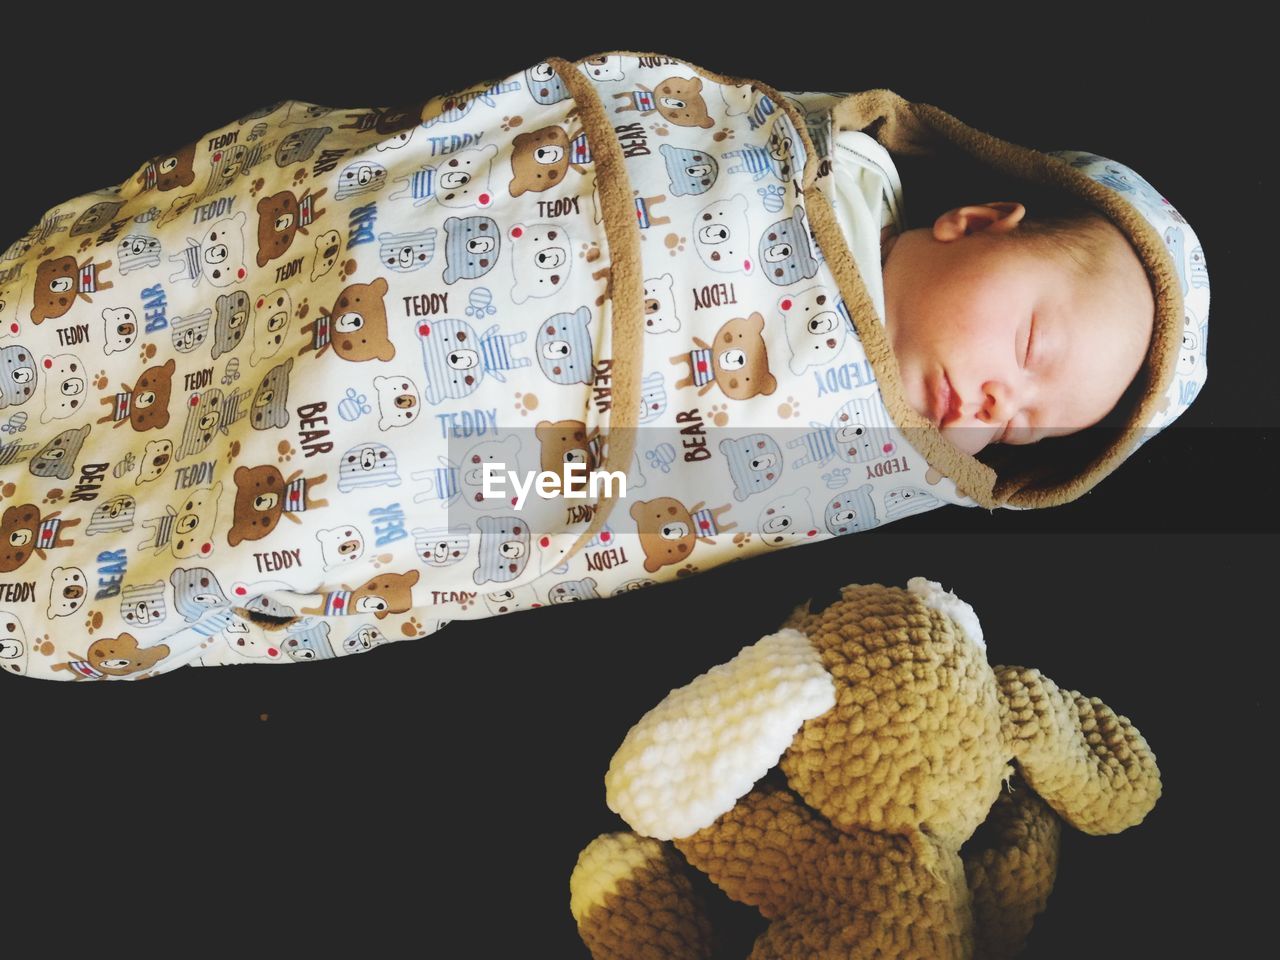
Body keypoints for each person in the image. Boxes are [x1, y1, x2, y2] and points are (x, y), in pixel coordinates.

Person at [0, 51, 1207, 681]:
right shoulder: (815, 164)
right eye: (1031, 347)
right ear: (978, 221)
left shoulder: (852, 467)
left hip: (467, 458)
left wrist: (467, 508)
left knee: (272, 536)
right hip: (425, 248)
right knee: (233, 250)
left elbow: (622, 512)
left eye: (1033, 426)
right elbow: (625, 130)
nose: (1002, 399)